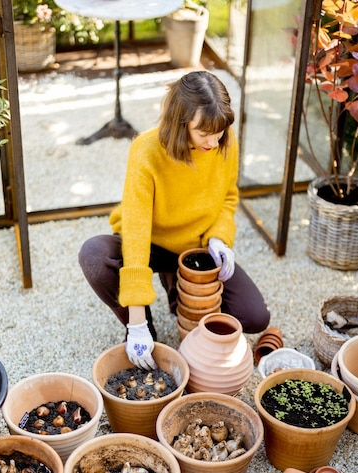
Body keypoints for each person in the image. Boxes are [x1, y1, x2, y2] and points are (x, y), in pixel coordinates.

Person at [79, 70, 270, 369]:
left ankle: (176, 285)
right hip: (151, 242)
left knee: (254, 317)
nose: (213, 141)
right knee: (93, 255)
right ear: (181, 124)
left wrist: (220, 237)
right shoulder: (146, 149)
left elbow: (229, 197)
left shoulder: (224, 142)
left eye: (218, 132)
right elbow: (137, 228)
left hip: (195, 247)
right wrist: (137, 321)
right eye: (203, 133)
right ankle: (149, 328)